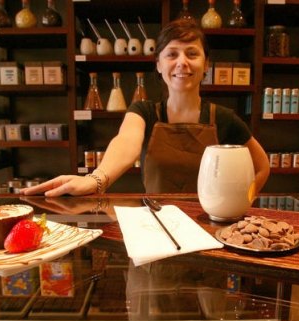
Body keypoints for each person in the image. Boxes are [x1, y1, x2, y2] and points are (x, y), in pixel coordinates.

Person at [22, 18, 270, 197]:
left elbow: (262, 166)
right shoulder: (144, 112)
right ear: (159, 65)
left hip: (210, 233)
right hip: (156, 231)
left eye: (192, 54)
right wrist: (96, 180)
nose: (182, 62)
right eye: (172, 54)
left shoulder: (223, 119)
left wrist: (240, 201)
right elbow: (126, 143)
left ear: (206, 65)